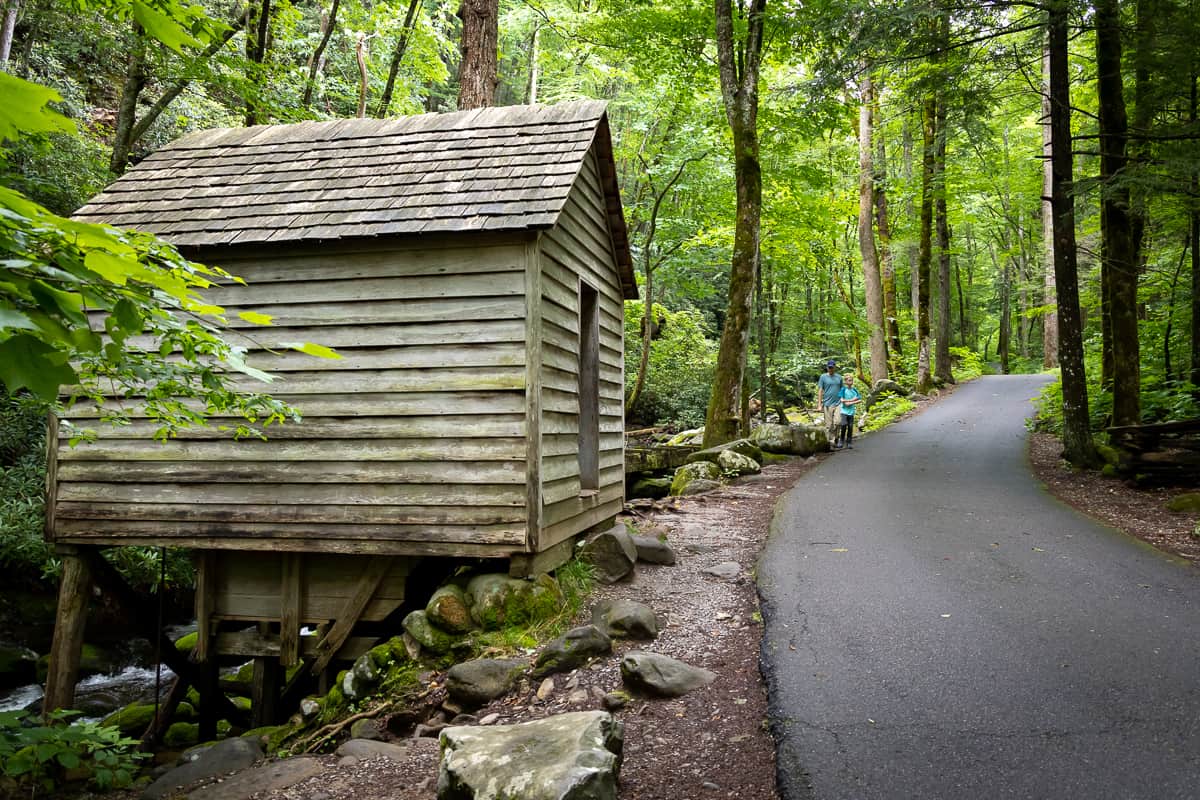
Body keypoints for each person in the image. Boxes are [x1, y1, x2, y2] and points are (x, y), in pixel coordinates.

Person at [816, 359, 843, 447]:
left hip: (838, 403)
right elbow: (820, 390)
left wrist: (844, 400)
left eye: (832, 367)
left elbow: (842, 390)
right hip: (827, 404)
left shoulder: (839, 377)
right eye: (829, 367)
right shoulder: (823, 377)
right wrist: (819, 405)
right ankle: (831, 441)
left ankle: (836, 438)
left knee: (838, 422)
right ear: (827, 368)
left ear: (834, 367)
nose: (830, 369)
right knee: (829, 425)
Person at [835, 374, 862, 449]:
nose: (851, 382)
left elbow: (859, 399)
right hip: (844, 411)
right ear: (846, 382)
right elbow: (842, 400)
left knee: (850, 427)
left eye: (852, 380)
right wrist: (853, 399)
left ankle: (849, 442)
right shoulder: (843, 389)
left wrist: (851, 402)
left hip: (851, 412)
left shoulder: (854, 390)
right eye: (849, 380)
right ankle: (841, 440)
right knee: (843, 425)